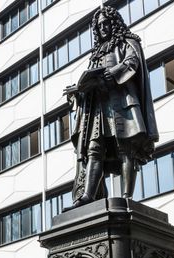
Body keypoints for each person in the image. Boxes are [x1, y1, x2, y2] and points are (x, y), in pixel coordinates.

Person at [64, 5, 158, 210]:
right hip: (98, 109)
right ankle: (88, 196)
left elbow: (132, 63)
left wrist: (112, 73)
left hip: (121, 103)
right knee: (94, 150)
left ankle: (126, 197)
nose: (103, 28)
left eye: (106, 23)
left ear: (113, 23)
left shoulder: (128, 42)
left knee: (126, 148)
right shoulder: (96, 53)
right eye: (99, 26)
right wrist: (78, 90)